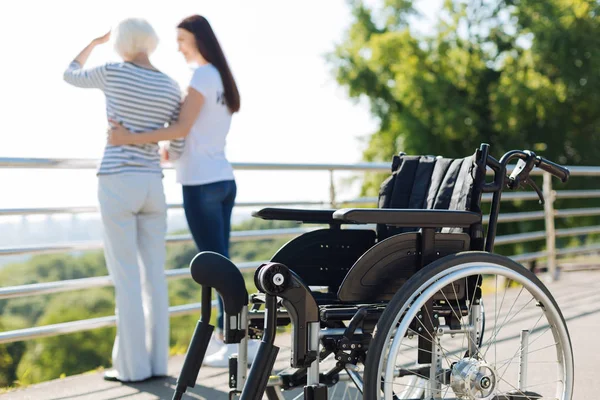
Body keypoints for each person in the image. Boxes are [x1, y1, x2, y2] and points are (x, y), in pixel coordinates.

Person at [108, 15, 257, 368]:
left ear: (197, 40)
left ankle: (233, 343)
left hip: (201, 183)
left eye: (182, 40)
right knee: (223, 261)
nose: (177, 46)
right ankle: (233, 339)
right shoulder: (220, 77)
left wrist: (126, 138)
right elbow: (192, 133)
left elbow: (180, 126)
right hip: (222, 178)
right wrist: (172, 149)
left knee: (216, 265)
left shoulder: (201, 76)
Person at [63, 18, 184, 382]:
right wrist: (151, 146)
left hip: (117, 180)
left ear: (122, 42)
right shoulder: (170, 84)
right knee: (155, 279)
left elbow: (70, 74)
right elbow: (175, 145)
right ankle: (159, 365)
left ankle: (132, 370)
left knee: (126, 278)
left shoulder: (114, 72)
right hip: (152, 183)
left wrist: (92, 42)